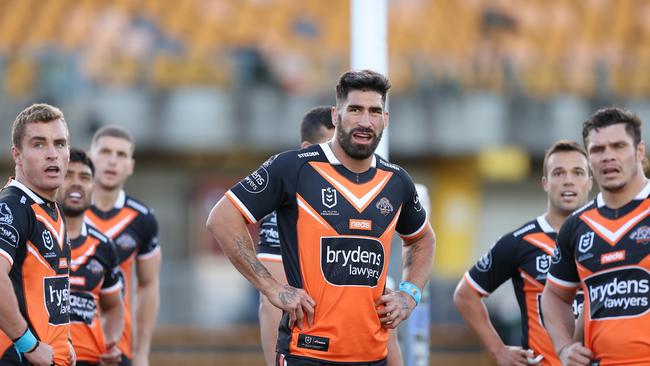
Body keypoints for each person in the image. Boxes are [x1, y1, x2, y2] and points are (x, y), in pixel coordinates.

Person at [207, 69, 436, 365]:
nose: (365, 121)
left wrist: (409, 295)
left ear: (385, 119)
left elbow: (422, 240)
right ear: (336, 114)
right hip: (306, 354)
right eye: (354, 110)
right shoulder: (293, 168)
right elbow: (222, 218)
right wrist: (271, 287)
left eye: (374, 111)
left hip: (373, 356)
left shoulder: (396, 181)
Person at [454, 140, 592, 366]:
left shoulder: (606, 238)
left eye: (578, 172)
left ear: (589, 181)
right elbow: (465, 295)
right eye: (558, 173)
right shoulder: (519, 242)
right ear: (545, 183)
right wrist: (498, 350)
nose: (568, 180)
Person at [542, 107, 650, 365]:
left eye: (619, 146)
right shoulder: (577, 226)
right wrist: (565, 348)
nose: (608, 157)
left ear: (639, 152)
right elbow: (554, 296)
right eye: (597, 150)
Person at [0, 104, 74, 365]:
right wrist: (28, 344)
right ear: (17, 155)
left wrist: (66, 342)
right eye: (39, 144)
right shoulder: (11, 207)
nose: (52, 154)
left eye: (60, 144)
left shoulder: (50, 208)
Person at [84, 126, 161, 366]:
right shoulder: (65, 212)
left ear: (131, 166)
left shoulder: (142, 218)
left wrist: (142, 353)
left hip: (117, 347)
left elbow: (147, 286)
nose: (112, 161)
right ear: (90, 157)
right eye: (105, 152)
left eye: (121, 155)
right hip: (65, 344)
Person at [57, 148, 124, 366]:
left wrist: (112, 344)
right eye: (68, 175)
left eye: (84, 177)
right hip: (42, 357)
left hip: (90, 359)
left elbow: (113, 306)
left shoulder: (104, 247)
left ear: (93, 187)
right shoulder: (33, 234)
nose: (76, 183)